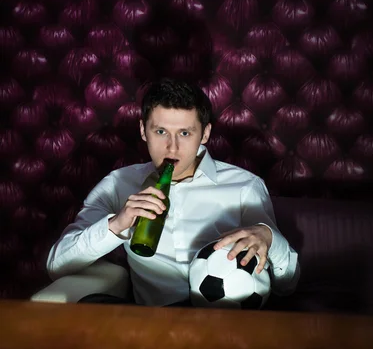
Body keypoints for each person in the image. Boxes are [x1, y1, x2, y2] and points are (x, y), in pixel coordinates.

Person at [47, 79, 300, 306]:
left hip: (225, 326)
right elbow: (57, 265)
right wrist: (116, 224)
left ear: (205, 134)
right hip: (154, 328)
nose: (172, 147)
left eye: (185, 133)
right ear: (143, 131)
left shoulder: (244, 186)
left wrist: (268, 237)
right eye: (160, 132)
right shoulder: (118, 184)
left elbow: (288, 285)